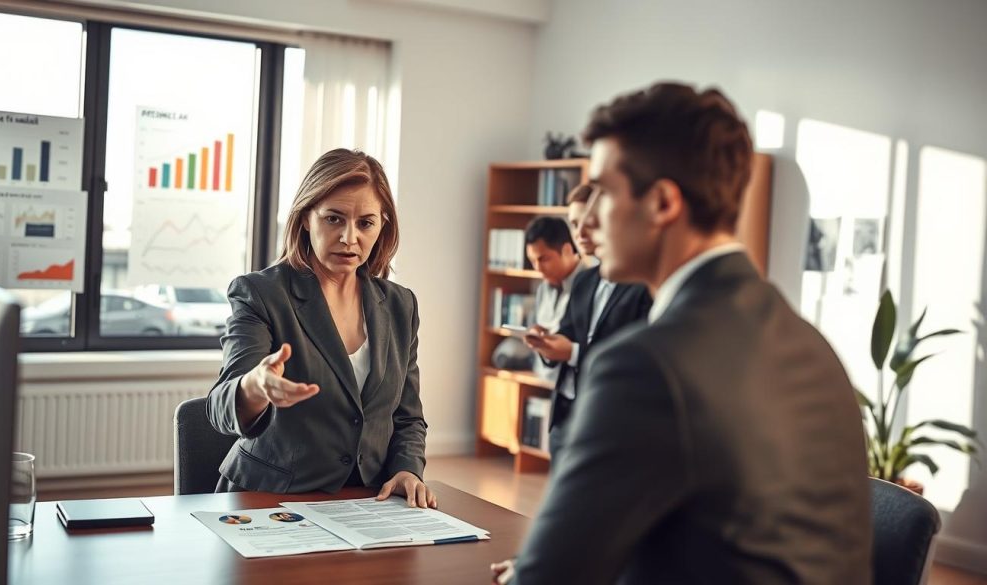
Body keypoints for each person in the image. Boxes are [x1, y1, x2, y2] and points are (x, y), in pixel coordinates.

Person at [493, 83, 871, 583]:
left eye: (604, 190)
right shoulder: (812, 346)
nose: (590, 216)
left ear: (663, 203)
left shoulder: (645, 366)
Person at [207, 148, 436, 509]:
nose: (349, 237)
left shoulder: (399, 305)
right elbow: (219, 407)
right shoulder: (261, 293)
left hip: (366, 502)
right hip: (269, 500)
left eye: (365, 223)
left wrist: (408, 469)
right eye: (333, 219)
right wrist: (255, 385)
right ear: (305, 219)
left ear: (382, 225)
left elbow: (406, 415)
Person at [524, 184, 652, 462]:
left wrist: (572, 352)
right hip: (566, 414)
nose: (580, 232)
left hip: (611, 418)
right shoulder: (584, 280)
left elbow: (635, 359)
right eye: (574, 223)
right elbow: (567, 335)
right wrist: (546, 343)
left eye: (589, 222)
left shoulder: (643, 286)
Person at [523, 216, 585, 385]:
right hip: (545, 380)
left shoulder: (588, 284)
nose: (537, 268)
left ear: (566, 250)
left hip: (577, 384)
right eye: (532, 261)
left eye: (543, 259)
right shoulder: (543, 287)